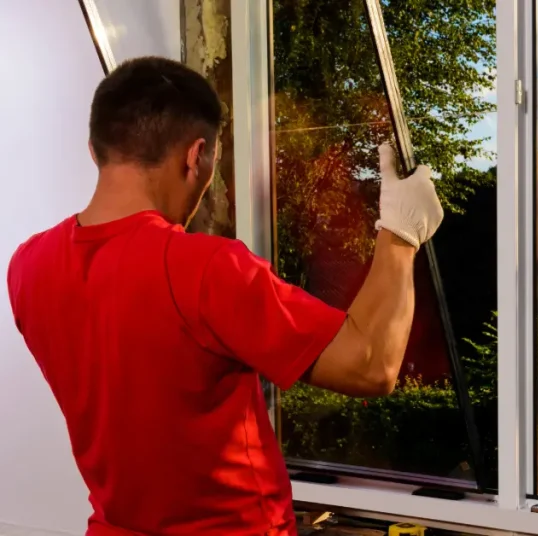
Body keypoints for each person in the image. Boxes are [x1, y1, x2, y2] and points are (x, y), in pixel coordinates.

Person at [6, 56, 443, 535]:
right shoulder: (204, 269)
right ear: (196, 156)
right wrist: (401, 234)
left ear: (95, 151)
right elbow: (371, 364)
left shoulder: (27, 267)